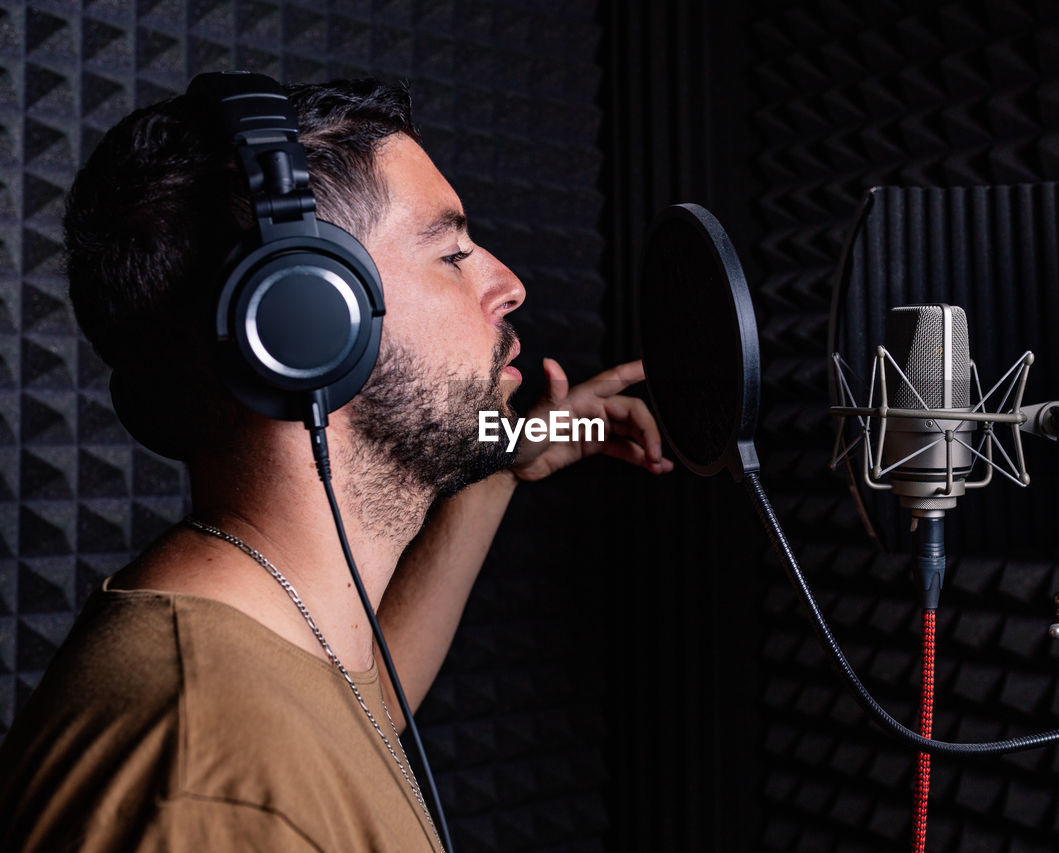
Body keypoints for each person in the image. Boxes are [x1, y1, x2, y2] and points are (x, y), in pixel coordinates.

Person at [0, 76, 672, 850]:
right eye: (453, 252)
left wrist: (501, 456)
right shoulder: (209, 793)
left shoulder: (263, 657)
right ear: (310, 321)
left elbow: (362, 713)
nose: (509, 285)